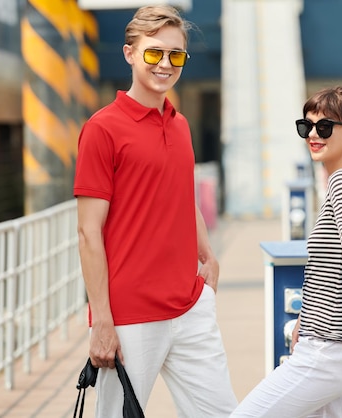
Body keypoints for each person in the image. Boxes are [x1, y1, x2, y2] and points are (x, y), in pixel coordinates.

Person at [73, 5, 237, 417]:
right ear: (130, 53)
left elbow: (184, 197)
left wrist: (208, 255)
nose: (165, 64)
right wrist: (102, 322)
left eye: (175, 55)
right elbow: (88, 233)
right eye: (154, 53)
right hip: (130, 317)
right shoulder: (102, 129)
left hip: (189, 306)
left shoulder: (179, 125)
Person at [231, 86, 342, 418]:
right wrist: (306, 320)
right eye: (306, 126)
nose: (313, 134)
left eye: (325, 127)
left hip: (329, 350)